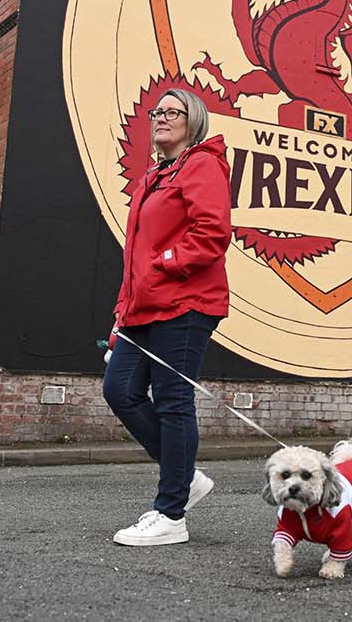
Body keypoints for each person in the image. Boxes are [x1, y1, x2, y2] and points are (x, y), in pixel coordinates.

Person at [103, 88, 232, 546]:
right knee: (119, 389)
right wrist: (121, 313)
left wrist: (167, 263)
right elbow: (133, 256)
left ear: (192, 121)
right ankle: (186, 478)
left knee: (174, 400)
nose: (161, 118)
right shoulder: (153, 177)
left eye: (172, 112)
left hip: (186, 304)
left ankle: (170, 514)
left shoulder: (202, 165)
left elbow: (212, 232)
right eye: (157, 112)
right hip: (143, 308)